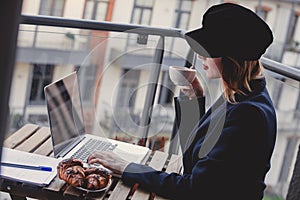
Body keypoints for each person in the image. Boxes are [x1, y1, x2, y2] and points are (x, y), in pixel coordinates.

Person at [87, 3, 277, 199]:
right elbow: (195, 163)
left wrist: (127, 168)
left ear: (231, 58)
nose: (200, 54)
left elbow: (193, 188)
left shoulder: (248, 114)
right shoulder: (243, 94)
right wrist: (194, 101)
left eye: (208, 48)